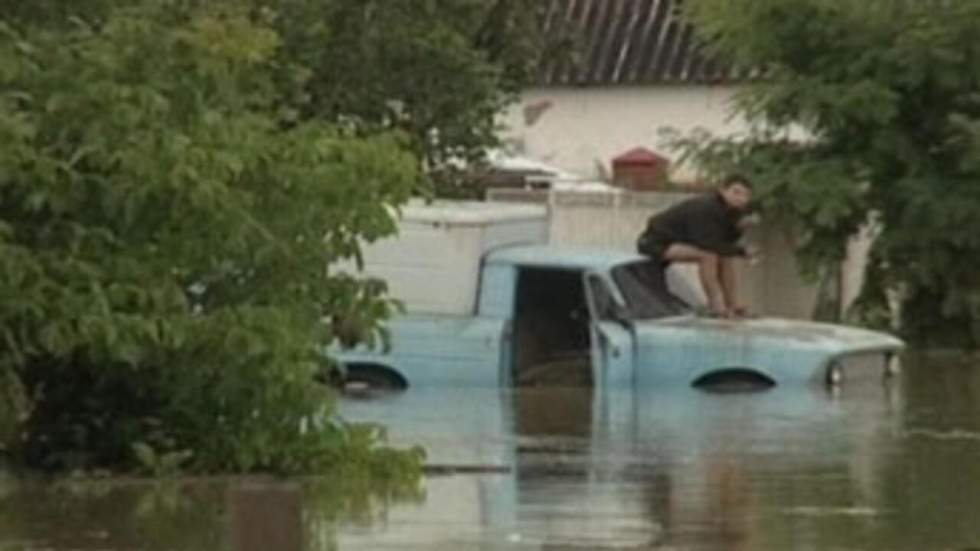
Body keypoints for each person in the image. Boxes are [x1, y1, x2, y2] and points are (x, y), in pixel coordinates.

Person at [636, 174, 757, 318]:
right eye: (736, 192)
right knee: (707, 255)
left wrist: (740, 228)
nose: (740, 198)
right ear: (723, 190)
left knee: (725, 257)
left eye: (745, 195)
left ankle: (733, 304)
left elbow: (725, 241)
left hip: (683, 242)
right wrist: (742, 251)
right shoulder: (707, 208)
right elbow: (707, 243)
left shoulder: (733, 211)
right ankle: (716, 305)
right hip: (656, 242)